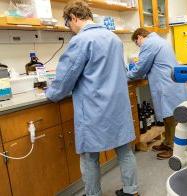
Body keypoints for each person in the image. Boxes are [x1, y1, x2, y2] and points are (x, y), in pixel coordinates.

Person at [45, 1, 138, 195]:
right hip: (118, 106)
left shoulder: (81, 40)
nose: (69, 29)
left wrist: (51, 94)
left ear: (73, 18)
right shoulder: (113, 38)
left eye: (68, 24)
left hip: (95, 109)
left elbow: (66, 77)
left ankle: (92, 193)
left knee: (89, 156)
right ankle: (132, 190)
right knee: (124, 150)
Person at [127, 28, 187, 159]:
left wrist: (126, 76)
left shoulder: (149, 43)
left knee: (171, 117)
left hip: (167, 85)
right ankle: (167, 142)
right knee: (168, 117)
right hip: (170, 82)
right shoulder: (160, 41)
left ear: (139, 37)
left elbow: (141, 67)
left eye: (137, 43)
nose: (139, 46)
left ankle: (174, 148)